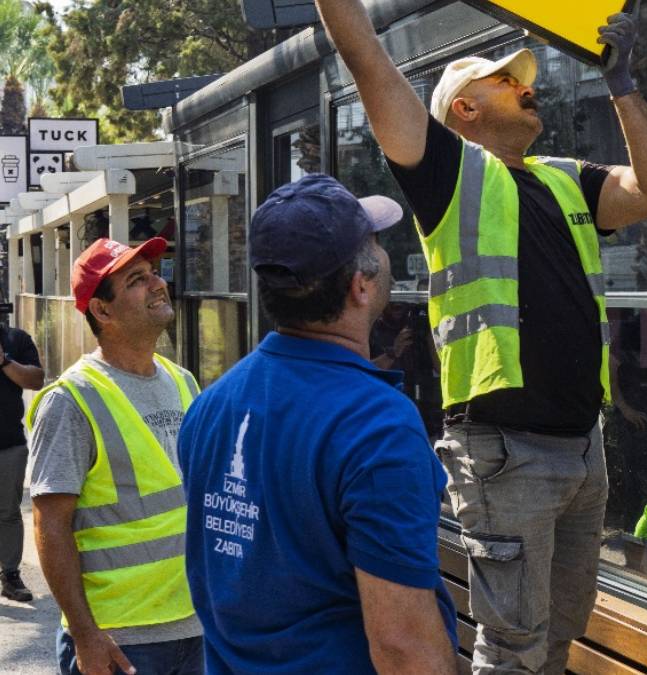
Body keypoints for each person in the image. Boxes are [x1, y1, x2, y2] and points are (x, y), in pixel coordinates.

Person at [315, 1, 647, 672]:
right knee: (512, 648)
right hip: (504, 451)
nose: (527, 85)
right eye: (505, 81)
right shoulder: (449, 173)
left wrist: (623, 87)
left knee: (558, 634)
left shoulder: (564, 178)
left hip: (581, 449)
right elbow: (367, 60)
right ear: (465, 110)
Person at [176, 174, 457, 674]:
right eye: (375, 243)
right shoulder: (377, 427)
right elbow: (403, 648)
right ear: (361, 285)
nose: (384, 253)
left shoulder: (210, 406)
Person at [27, 236, 203, 675]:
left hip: (196, 623)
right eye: (136, 281)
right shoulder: (72, 400)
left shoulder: (183, 382)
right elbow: (49, 523)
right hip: (121, 640)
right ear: (102, 311)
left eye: (154, 273)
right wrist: (86, 635)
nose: (157, 284)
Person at [0, 320, 45, 603]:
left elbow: (36, 380)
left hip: (9, 445)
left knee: (7, 512)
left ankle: (10, 575)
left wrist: (4, 361)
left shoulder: (16, 339)